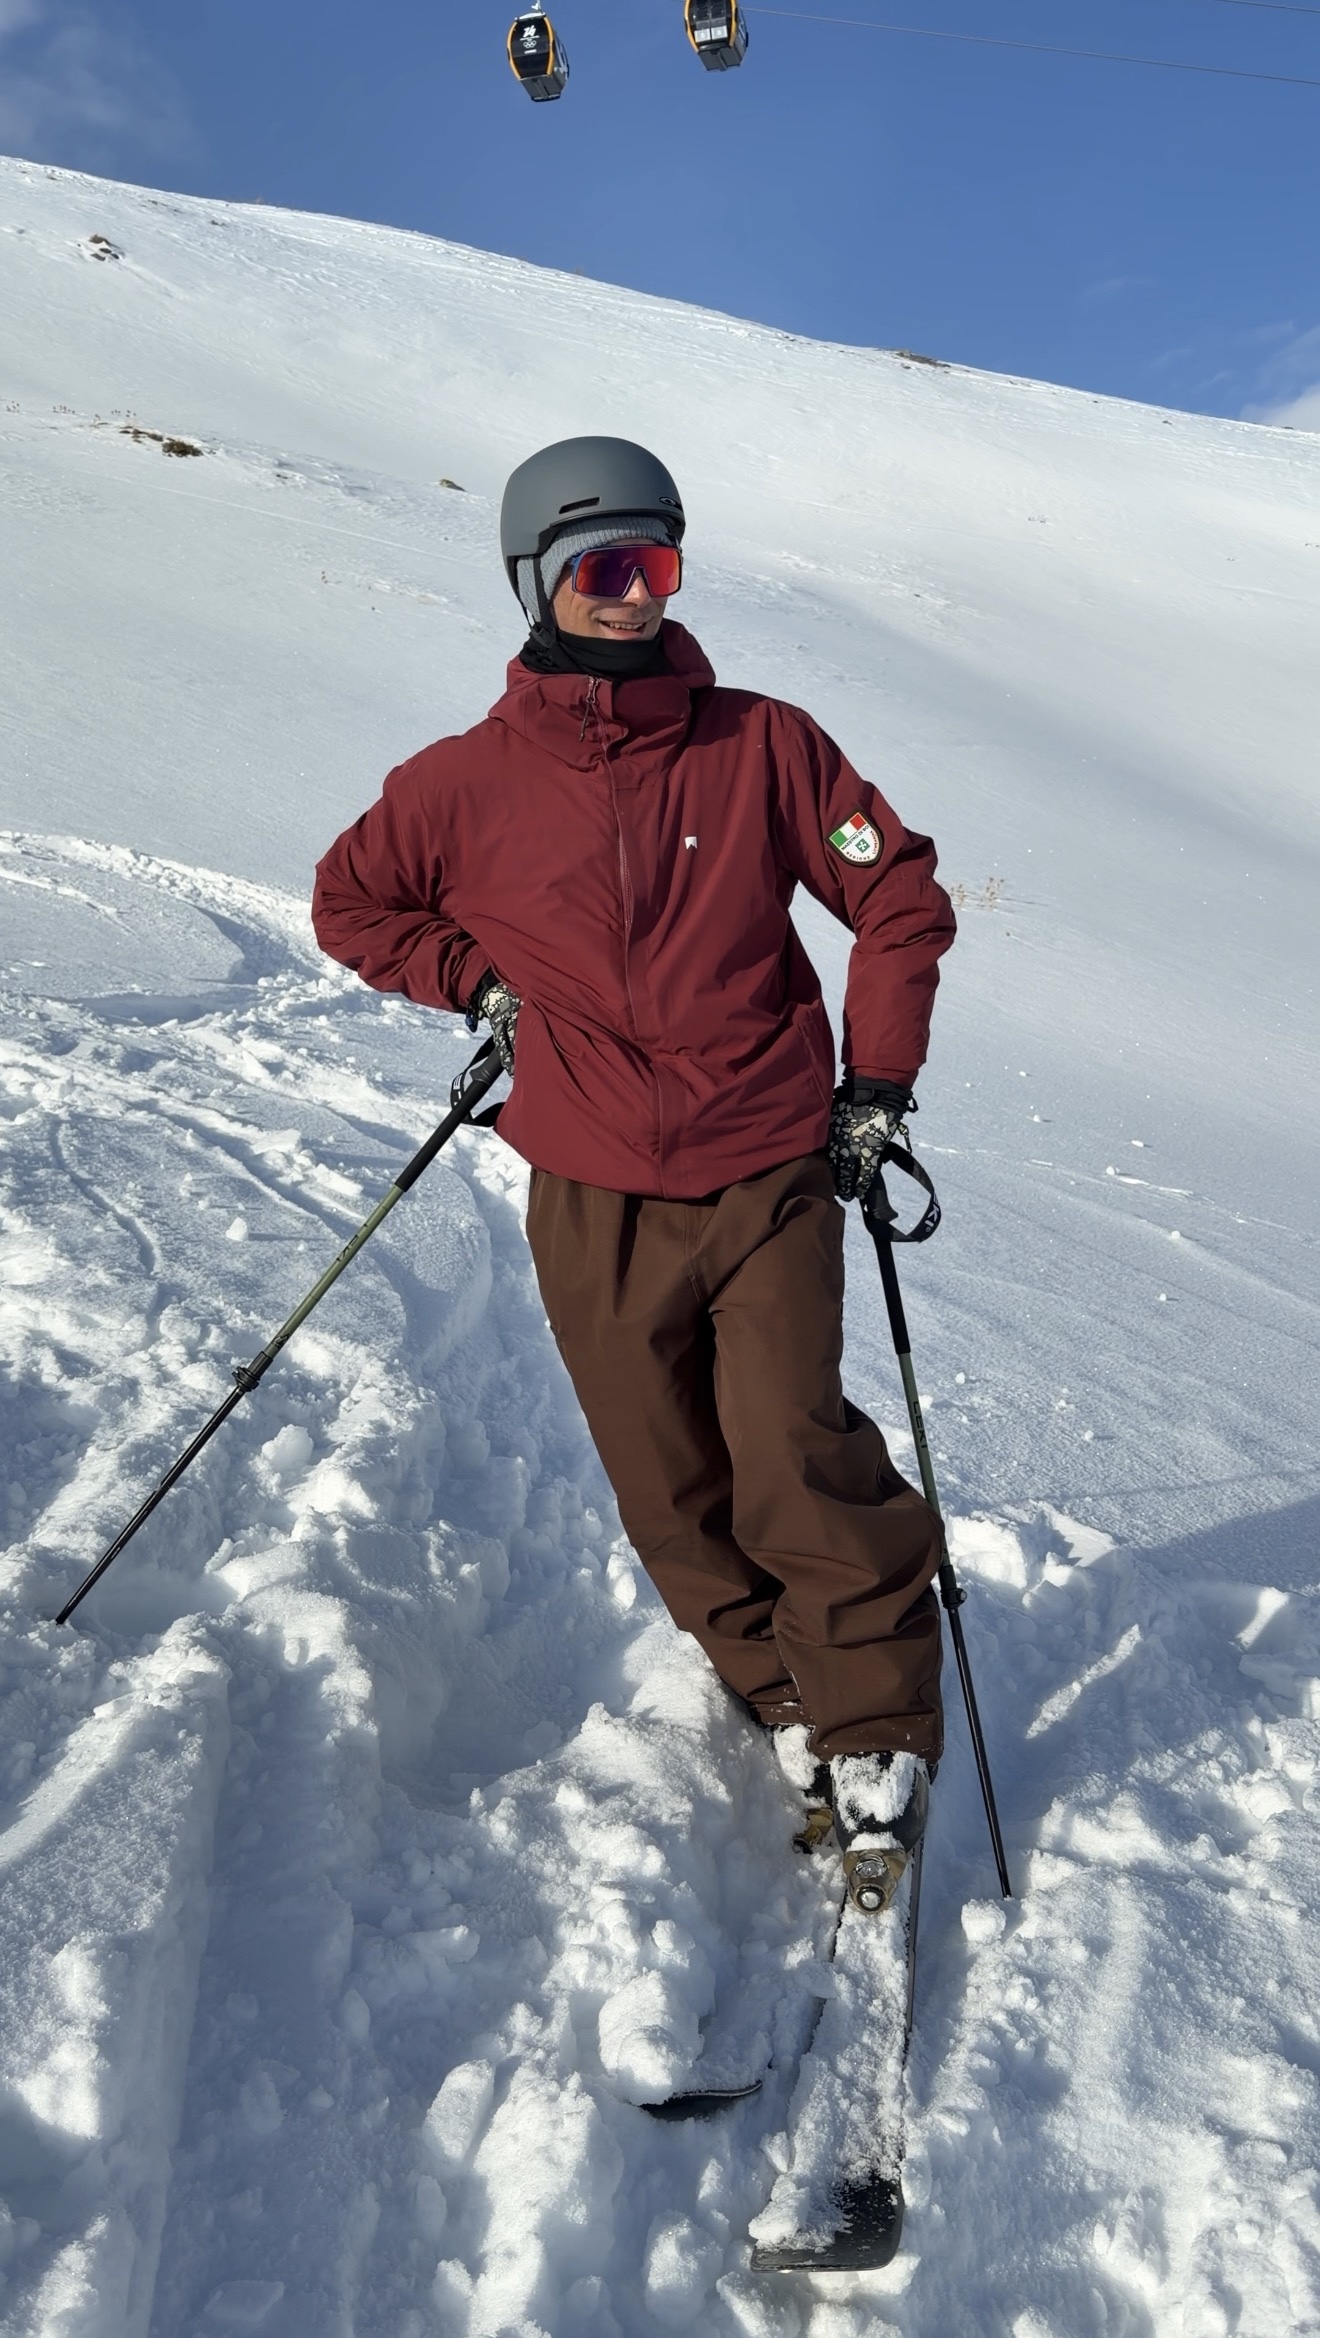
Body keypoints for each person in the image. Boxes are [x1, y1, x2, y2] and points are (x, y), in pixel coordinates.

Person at [312, 436, 956, 1908]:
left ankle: (871, 1722)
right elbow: (351, 901)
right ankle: (772, 1686)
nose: (630, 595)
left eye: (655, 566)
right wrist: (472, 975)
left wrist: (879, 1081)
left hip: (768, 1162)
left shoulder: (762, 744)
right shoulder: (461, 785)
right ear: (537, 580)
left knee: (792, 1443)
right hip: (590, 1182)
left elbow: (898, 894)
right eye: (601, 568)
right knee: (666, 1478)